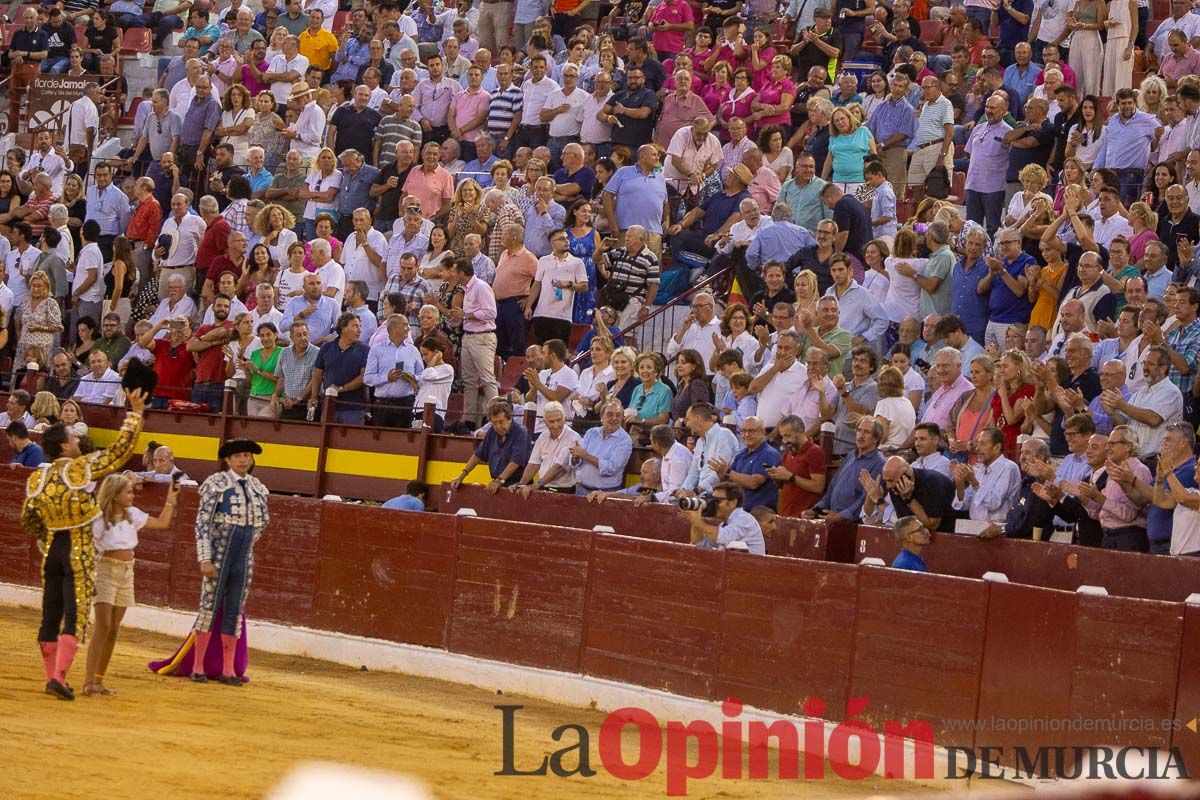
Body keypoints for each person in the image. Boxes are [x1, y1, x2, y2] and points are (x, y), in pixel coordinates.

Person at [20, 388, 146, 700]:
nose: (78, 442)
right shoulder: (78, 469)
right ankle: (60, 678)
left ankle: (51, 676)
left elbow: (28, 518)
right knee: (73, 616)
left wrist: (44, 538)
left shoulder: (38, 478)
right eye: (74, 439)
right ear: (64, 444)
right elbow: (119, 452)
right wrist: (135, 415)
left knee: (50, 614)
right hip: (79, 551)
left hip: (52, 550)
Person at [82, 473, 180, 697]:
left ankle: (98, 681)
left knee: (114, 629)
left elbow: (163, 523)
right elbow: (86, 547)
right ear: (115, 495)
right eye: (127, 491)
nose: (132, 494)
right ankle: (88, 682)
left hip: (127, 572)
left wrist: (171, 498)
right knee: (103, 626)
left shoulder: (132, 515)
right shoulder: (99, 519)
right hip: (105, 570)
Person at [449, 400, 531, 492]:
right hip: (499, 483)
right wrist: (461, 476)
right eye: (494, 423)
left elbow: (515, 462)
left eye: (501, 422)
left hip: (517, 485)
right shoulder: (492, 431)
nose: (498, 426)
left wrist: (499, 481)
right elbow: (478, 456)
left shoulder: (521, 432)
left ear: (509, 419)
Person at [513, 400, 584, 495]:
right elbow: (533, 464)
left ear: (564, 419)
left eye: (559, 420)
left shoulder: (573, 438)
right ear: (545, 422)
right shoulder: (543, 436)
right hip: (543, 487)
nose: (555, 425)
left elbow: (559, 467)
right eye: (551, 421)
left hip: (563, 491)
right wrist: (521, 484)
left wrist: (537, 485)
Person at [685, 481, 766, 555]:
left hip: (750, 569)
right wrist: (696, 522)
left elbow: (725, 538)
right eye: (712, 500)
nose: (713, 504)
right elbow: (700, 545)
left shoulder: (745, 519)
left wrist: (699, 523)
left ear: (732, 503)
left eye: (717, 501)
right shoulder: (723, 523)